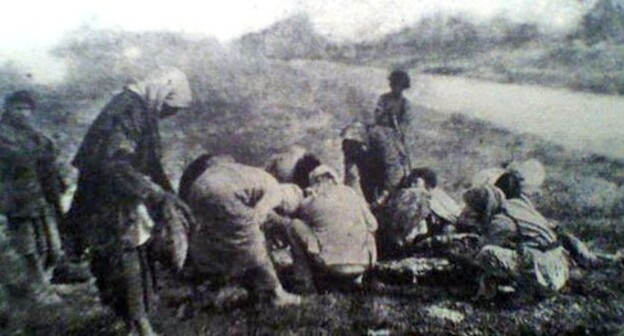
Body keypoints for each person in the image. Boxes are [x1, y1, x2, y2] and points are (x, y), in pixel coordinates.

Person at [65, 68, 195, 336]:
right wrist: (153, 193)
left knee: (137, 252)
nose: (165, 115)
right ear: (162, 91)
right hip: (109, 198)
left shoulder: (139, 107)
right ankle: (137, 324)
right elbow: (113, 163)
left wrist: (171, 195)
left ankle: (137, 319)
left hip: (124, 193)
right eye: (168, 108)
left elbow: (150, 161)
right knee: (125, 256)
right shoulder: (126, 109)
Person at [184, 155, 303, 307]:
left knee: (216, 239)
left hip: (198, 186)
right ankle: (276, 294)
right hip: (223, 192)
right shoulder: (276, 190)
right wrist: (262, 236)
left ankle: (213, 289)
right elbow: (260, 214)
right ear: (288, 201)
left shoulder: (259, 176)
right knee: (252, 241)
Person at [0, 90, 68, 303]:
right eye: (17, 108)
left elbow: (49, 155)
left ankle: (44, 282)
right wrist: (44, 150)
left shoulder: (32, 133)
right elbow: (18, 158)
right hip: (15, 198)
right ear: (8, 110)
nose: (23, 113)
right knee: (27, 247)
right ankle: (37, 289)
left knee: (50, 244)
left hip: (38, 197)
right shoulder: (3, 134)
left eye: (27, 109)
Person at [285, 165, 378, 292]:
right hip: (362, 265)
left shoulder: (310, 201)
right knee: (368, 228)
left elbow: (305, 224)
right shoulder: (353, 195)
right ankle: (361, 279)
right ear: (334, 179)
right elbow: (374, 225)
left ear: (316, 182)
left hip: (330, 266)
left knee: (294, 225)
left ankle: (303, 282)